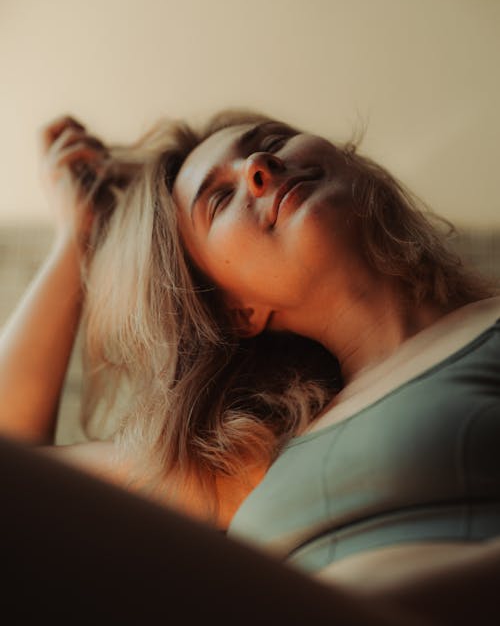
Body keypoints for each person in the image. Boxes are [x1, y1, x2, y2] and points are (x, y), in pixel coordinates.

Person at [0, 110, 499, 624]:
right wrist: (75, 235)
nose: (260, 165)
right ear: (239, 312)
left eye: (273, 141)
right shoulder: (252, 455)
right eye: (218, 200)